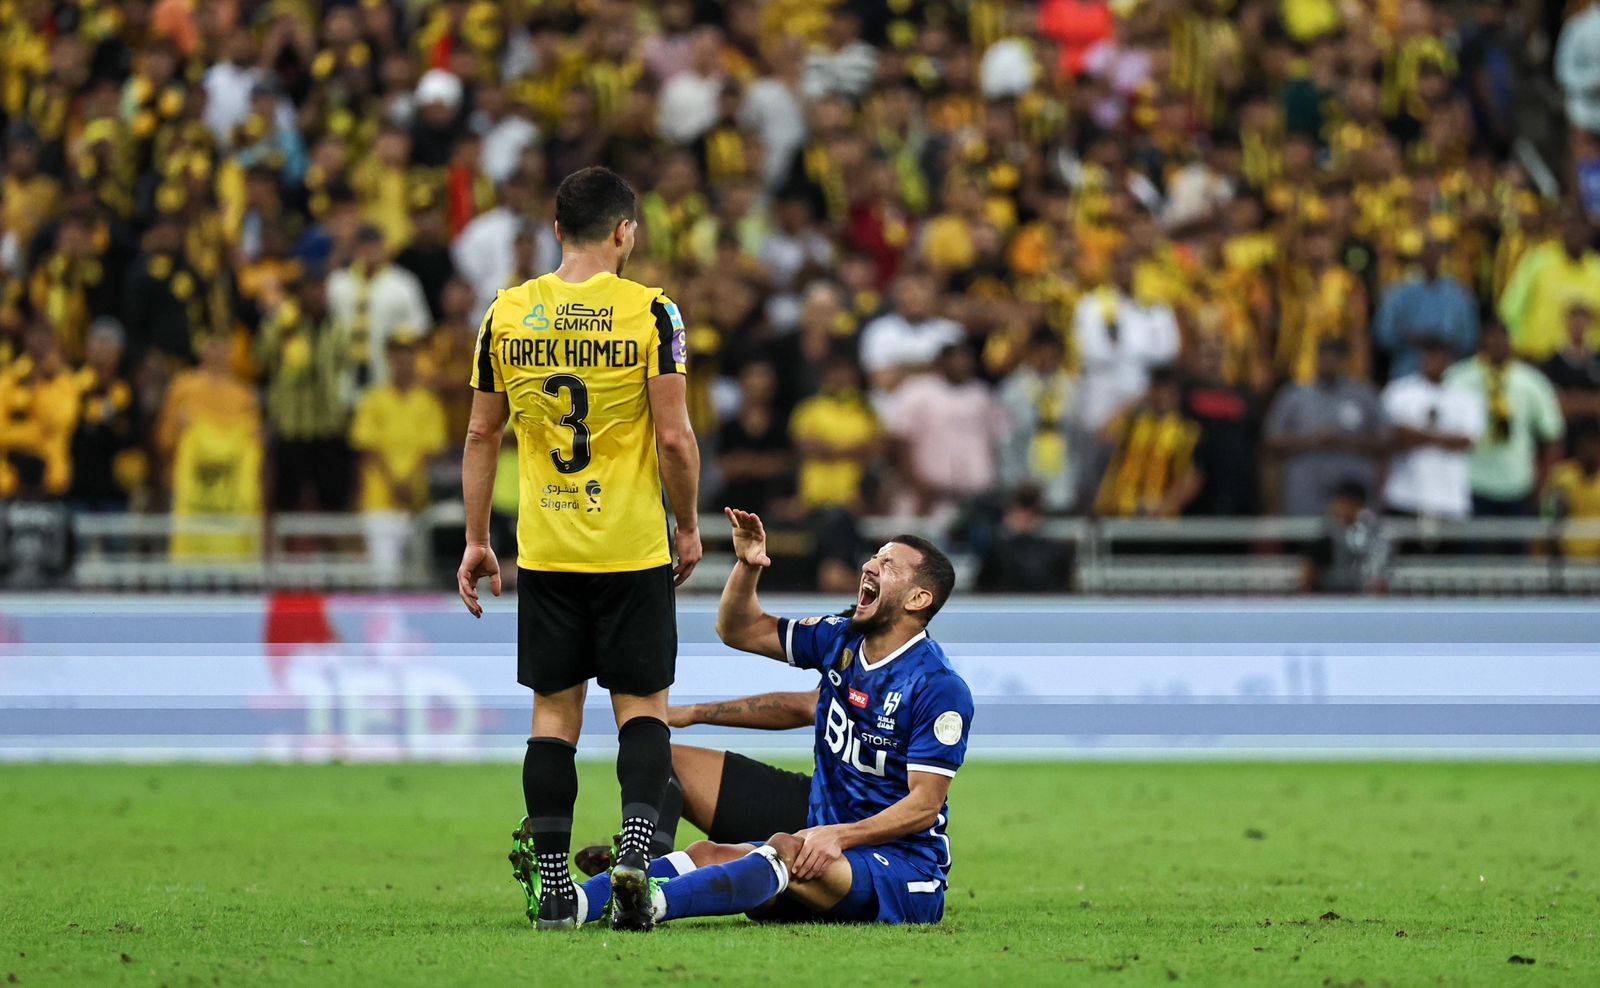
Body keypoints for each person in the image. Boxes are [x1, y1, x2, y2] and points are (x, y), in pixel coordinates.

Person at [457, 166, 702, 932]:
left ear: (557, 230)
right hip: (630, 550)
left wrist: (475, 540)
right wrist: (688, 525)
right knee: (642, 711)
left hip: (548, 551)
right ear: (626, 231)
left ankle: (555, 887)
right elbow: (674, 436)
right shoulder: (652, 313)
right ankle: (635, 847)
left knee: (553, 718)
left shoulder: (507, 312)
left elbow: (478, 434)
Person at [545, 508, 972, 929]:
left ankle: (648, 904)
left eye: (887, 564)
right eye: (874, 556)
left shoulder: (937, 686)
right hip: (825, 836)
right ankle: (575, 904)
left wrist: (839, 835)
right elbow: (741, 629)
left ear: (919, 599)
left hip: (903, 870)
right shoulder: (841, 637)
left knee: (784, 849)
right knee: (710, 854)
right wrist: (749, 567)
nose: (869, 565)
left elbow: (924, 805)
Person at [1444, 322, 1564, 517]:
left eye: (1503, 338)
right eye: (1492, 337)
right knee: (1474, 545)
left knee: (1516, 544)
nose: (1498, 343)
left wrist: (1543, 483)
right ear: (1483, 341)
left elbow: (1552, 432)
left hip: (1518, 480)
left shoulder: (1530, 381)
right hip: (1472, 480)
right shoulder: (1459, 378)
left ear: (1511, 342)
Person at [1263, 338, 1385, 516]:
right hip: (1304, 494)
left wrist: (1342, 440)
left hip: (1353, 494)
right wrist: (1314, 439)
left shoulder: (1364, 395)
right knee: (1303, 538)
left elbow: (1386, 442)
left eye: (1334, 359)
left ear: (1344, 361)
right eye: (1324, 358)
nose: (1328, 364)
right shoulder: (1294, 394)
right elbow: (1271, 440)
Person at [1380, 337, 1486, 520]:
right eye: (1430, 356)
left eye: (1440, 357)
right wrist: (1444, 438)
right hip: (1404, 495)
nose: (1435, 362)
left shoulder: (1466, 397)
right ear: (1421, 358)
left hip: (1450, 499)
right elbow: (1395, 437)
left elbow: (1467, 441)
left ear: (1449, 361)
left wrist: (1419, 435)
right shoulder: (1399, 391)